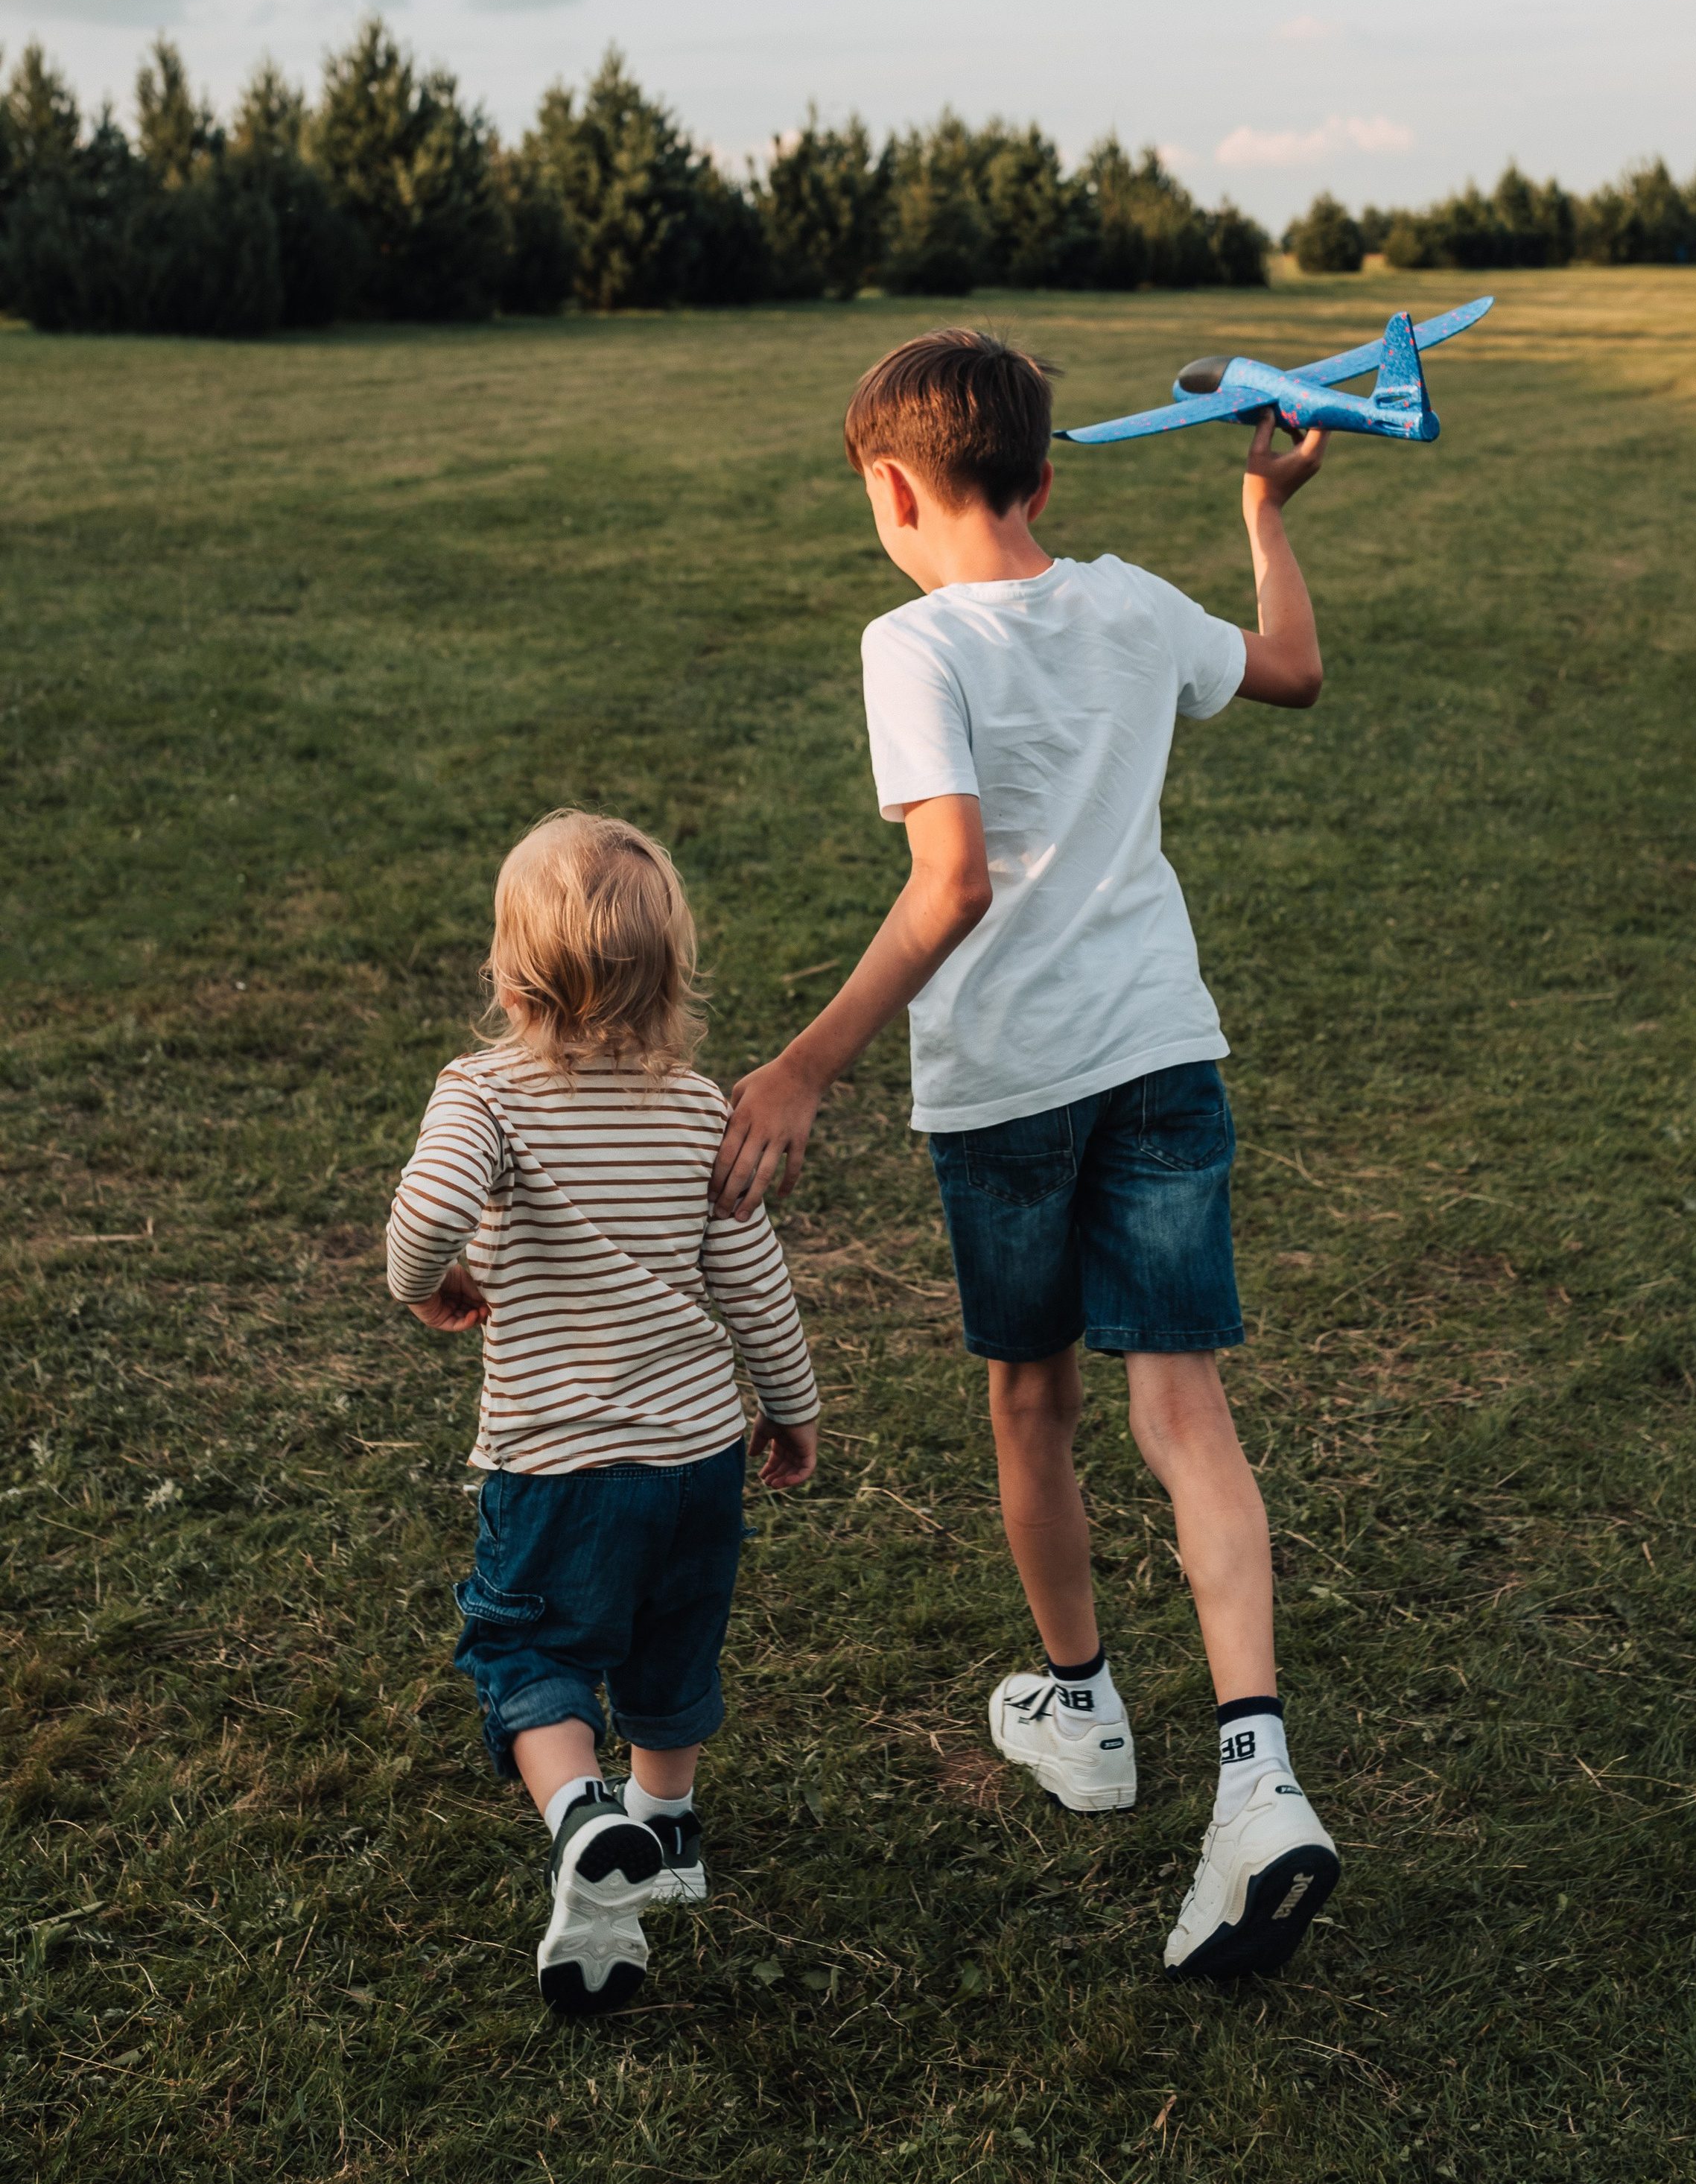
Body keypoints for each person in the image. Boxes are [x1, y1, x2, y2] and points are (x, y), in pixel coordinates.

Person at [711, 327, 1338, 1980]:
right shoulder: (1131, 603)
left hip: (1007, 1092)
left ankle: (1082, 1710)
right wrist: (1263, 512)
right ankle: (1257, 1776)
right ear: (1045, 480)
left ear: (889, 488)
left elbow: (952, 885)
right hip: (1162, 1056)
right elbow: (1290, 668)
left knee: (1031, 1402)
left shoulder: (910, 644)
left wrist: (802, 1065)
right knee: (1184, 1412)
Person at [387, 810, 819, 2018]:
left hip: (557, 1466)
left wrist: (427, 1283)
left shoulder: (483, 1095)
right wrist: (792, 1406)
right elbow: (755, 1282)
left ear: (509, 973)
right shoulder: (700, 1110)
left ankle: (582, 1816)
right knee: (672, 1644)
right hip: (696, 1457)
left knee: (532, 1653)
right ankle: (664, 1831)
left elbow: (423, 1220)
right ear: (672, 973)